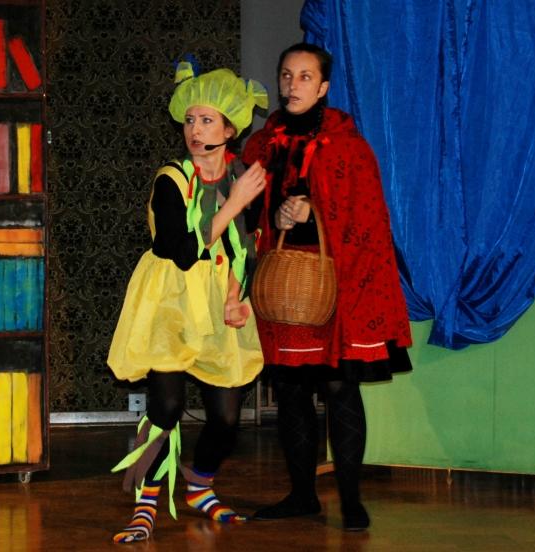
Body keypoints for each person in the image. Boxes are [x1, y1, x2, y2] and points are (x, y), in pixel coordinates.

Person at [242, 43, 413, 531]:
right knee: (291, 390)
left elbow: (367, 217)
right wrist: (274, 217)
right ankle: (302, 496)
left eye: (304, 76)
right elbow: (249, 213)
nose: (292, 84)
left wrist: (314, 211)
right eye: (286, 75)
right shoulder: (265, 146)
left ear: (323, 88)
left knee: (339, 387)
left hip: (339, 285)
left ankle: (352, 499)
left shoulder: (348, 147)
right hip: (286, 287)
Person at [107, 60, 268, 543]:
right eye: (190, 120)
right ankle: (146, 504)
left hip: (219, 297)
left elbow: (246, 244)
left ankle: (200, 485)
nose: (195, 130)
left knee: (226, 416)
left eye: (207, 120)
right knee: (167, 405)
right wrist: (234, 203)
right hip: (171, 298)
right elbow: (180, 250)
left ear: (230, 129)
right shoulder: (171, 180)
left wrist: (237, 296)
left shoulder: (242, 177)